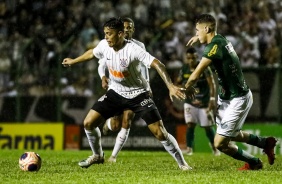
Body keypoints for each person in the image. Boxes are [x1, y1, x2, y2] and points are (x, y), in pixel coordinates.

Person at [62, 17, 191, 171]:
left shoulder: (134, 49)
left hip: (138, 95)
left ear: (120, 34)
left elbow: (157, 64)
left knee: (159, 132)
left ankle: (183, 164)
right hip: (115, 92)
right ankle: (98, 155)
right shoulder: (104, 45)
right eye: (105, 33)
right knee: (88, 123)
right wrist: (73, 61)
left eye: (109, 34)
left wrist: (170, 86)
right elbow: (92, 53)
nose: (106, 37)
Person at [185, 14, 277, 170]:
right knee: (233, 134)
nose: (196, 33)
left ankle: (254, 163)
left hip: (238, 98)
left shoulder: (215, 46)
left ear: (206, 29)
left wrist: (186, 87)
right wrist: (198, 36)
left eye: (197, 30)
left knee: (219, 143)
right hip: (226, 97)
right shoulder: (220, 39)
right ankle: (265, 143)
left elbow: (197, 71)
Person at [98, 17, 150, 163]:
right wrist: (103, 77)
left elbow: (144, 67)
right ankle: (108, 124)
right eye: (125, 27)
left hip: (135, 89)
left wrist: (148, 86)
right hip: (116, 88)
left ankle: (113, 156)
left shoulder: (139, 46)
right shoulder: (111, 44)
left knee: (127, 120)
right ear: (120, 31)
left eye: (130, 27)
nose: (127, 30)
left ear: (133, 29)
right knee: (115, 125)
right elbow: (101, 64)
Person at [176, 47, 220, 156]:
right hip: (190, 101)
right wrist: (183, 88)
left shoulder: (203, 67)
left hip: (204, 102)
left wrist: (212, 99)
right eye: (189, 58)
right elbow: (178, 83)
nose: (191, 60)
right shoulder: (184, 69)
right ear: (186, 58)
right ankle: (189, 148)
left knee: (207, 126)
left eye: (193, 58)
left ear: (197, 57)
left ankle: (214, 147)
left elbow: (212, 84)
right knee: (190, 124)